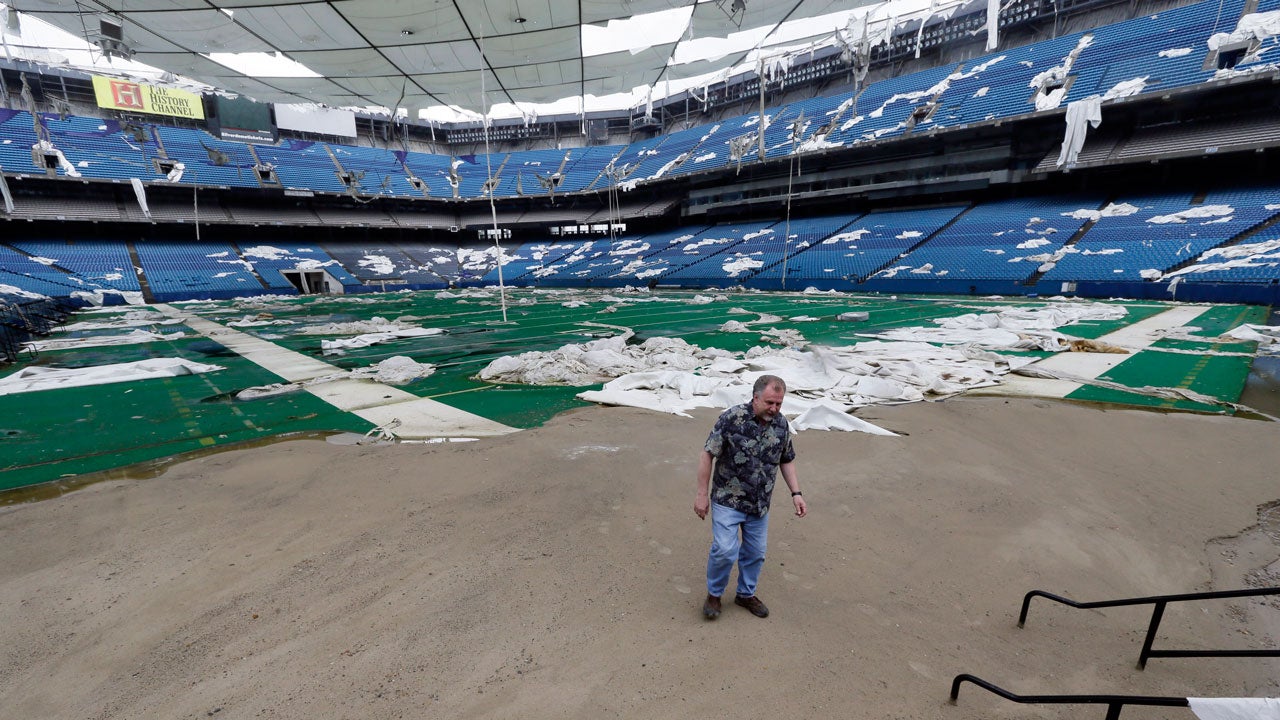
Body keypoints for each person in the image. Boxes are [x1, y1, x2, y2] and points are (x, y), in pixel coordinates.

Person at [694, 374, 806, 620]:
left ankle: (745, 594)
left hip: (759, 503)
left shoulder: (781, 425)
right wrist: (702, 495)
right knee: (724, 550)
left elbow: (786, 460)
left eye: (779, 404)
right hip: (728, 499)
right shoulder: (731, 419)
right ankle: (714, 594)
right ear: (755, 397)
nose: (774, 409)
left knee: (756, 553)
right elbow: (707, 454)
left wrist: (796, 493)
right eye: (769, 403)